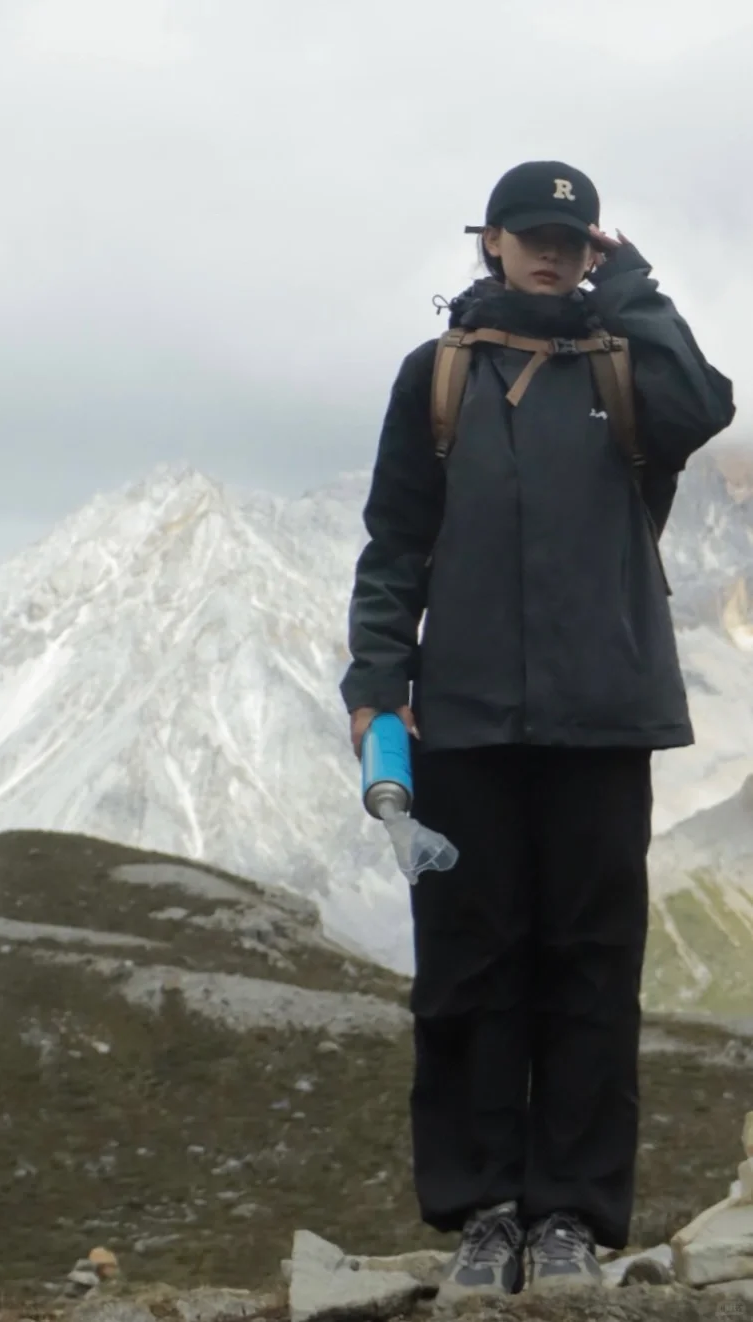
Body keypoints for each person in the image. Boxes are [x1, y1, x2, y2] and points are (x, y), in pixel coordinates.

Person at [340, 160, 735, 1299]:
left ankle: (569, 1217)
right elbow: (394, 542)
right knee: (468, 970)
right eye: (532, 235)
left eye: (572, 239)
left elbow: (706, 404)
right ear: (492, 241)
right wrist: (377, 681)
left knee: (591, 969)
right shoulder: (436, 376)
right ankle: (485, 1213)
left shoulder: (628, 369)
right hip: (462, 721)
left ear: (592, 250)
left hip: (603, 720)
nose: (551, 254)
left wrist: (635, 283)